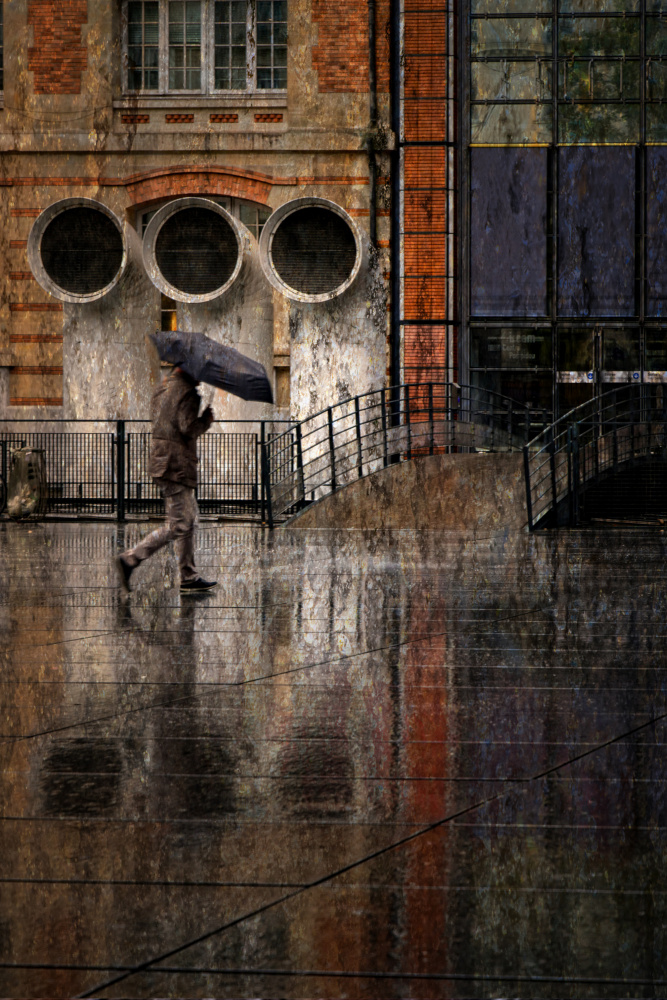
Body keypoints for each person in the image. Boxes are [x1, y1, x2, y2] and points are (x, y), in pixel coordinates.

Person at [116, 366, 217, 593]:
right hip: (177, 466)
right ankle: (130, 559)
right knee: (178, 524)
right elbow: (187, 427)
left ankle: (189, 575)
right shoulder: (187, 393)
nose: (201, 375)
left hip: (163, 461)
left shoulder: (162, 387)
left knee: (188, 520)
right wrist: (205, 420)